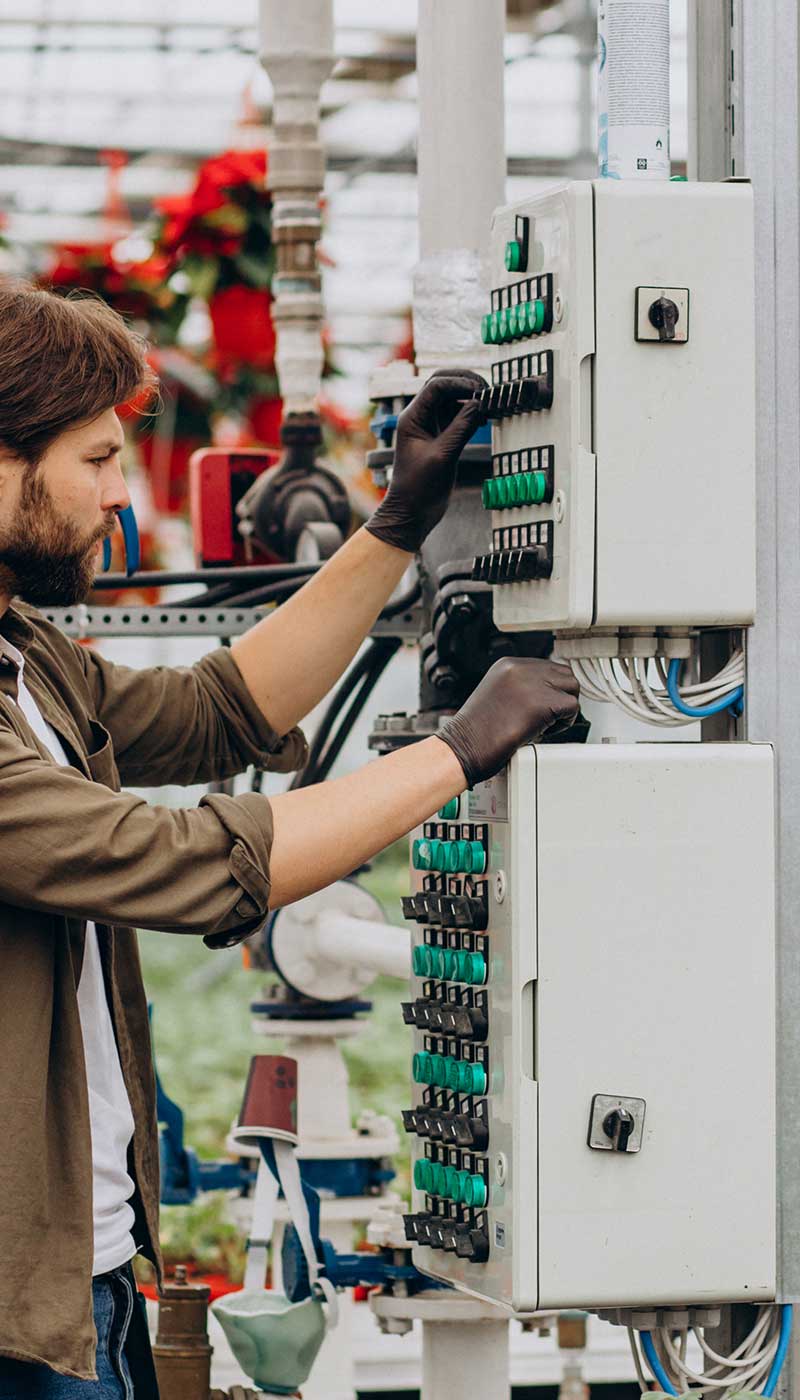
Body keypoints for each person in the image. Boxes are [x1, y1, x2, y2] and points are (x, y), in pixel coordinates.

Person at [0, 280, 579, 1398]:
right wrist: (455, 751)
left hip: (90, 1273)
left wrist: (394, 525)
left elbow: (218, 706)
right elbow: (177, 859)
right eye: (95, 460)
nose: (121, 498)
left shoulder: (25, 653)